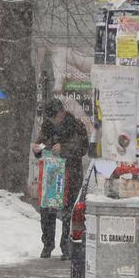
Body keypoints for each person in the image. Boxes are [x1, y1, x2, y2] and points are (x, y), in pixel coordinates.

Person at [33, 98, 89, 259]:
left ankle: (67, 246)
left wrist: (64, 148)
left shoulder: (76, 125)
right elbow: (42, 143)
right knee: (47, 210)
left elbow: (82, 147)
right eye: (50, 118)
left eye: (55, 117)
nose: (53, 121)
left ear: (62, 113)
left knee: (69, 212)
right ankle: (47, 244)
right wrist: (38, 148)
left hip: (71, 173)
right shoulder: (47, 125)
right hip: (52, 174)